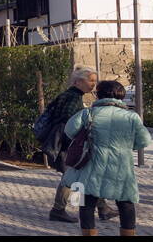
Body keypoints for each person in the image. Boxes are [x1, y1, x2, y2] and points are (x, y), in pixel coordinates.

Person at [61, 80, 151, 236]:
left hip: (92, 164)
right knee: (126, 202)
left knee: (87, 202)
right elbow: (144, 140)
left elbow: (70, 131)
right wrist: (128, 146)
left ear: (99, 95)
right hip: (121, 166)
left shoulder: (88, 113)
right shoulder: (131, 117)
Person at [40, 66, 117, 224]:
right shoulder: (72, 98)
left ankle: (102, 208)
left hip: (66, 144)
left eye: (95, 81)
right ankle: (58, 210)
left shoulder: (71, 95)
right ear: (78, 82)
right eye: (90, 81)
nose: (93, 84)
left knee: (83, 175)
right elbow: (68, 119)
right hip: (67, 145)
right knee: (73, 176)